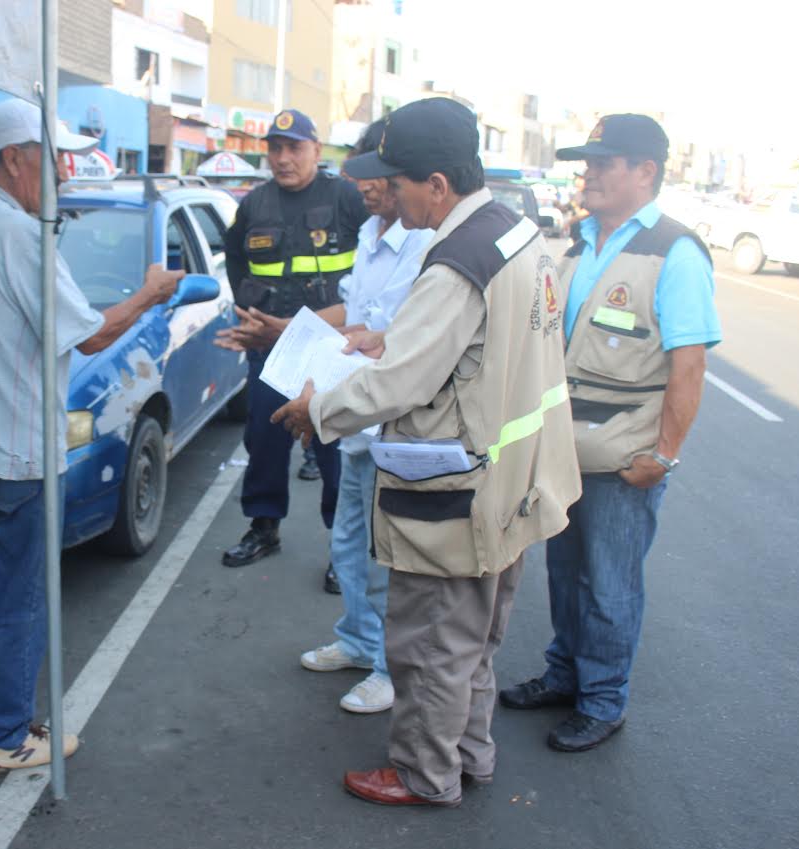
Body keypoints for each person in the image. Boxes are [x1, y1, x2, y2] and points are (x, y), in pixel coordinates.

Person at [271, 97, 581, 807]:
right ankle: (469, 755)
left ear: (437, 184)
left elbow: (399, 382)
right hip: (514, 484)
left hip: (456, 491)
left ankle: (423, 772)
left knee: (431, 643)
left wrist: (315, 409)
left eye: (400, 181)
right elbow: (469, 347)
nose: (387, 195)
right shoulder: (513, 233)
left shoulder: (454, 262)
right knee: (473, 640)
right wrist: (393, 341)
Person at [0, 98, 182, 774]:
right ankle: (2, 732)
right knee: (16, 600)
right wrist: (149, 292)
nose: (62, 171)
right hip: (13, 454)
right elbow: (88, 331)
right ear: (12, 160)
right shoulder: (21, 236)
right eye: (51, 158)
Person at [499, 114, 721, 753]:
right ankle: (565, 675)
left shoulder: (674, 252)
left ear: (645, 172)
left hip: (624, 460)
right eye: (587, 161)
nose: (587, 172)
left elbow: (690, 364)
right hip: (564, 452)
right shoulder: (578, 242)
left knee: (610, 582)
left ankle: (602, 701)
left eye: (604, 161)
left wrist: (665, 455)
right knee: (566, 574)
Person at [297, 119, 435, 714]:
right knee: (349, 538)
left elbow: (405, 339)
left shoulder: (426, 243)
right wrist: (290, 335)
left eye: (377, 179)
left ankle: (388, 666)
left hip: (393, 420)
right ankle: (357, 640)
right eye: (361, 179)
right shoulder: (372, 234)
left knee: (389, 555)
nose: (367, 190)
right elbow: (356, 314)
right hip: (355, 417)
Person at [219, 108, 368, 570]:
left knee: (332, 447)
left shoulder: (345, 198)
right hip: (270, 347)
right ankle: (264, 526)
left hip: (330, 347)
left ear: (316, 151)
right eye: (275, 148)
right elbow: (235, 260)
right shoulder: (255, 204)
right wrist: (250, 312)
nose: (283, 158)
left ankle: (341, 549)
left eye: (294, 148)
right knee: (264, 438)